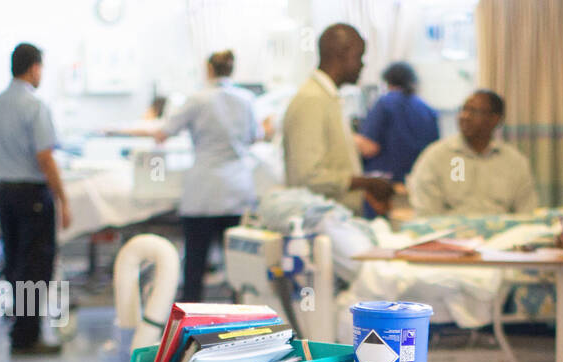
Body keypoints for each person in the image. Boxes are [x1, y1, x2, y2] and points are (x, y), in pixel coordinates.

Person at [0, 42, 71, 355]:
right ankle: (27, 336)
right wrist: (63, 199)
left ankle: (19, 329)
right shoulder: (35, 106)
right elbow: (45, 158)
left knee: (16, 263)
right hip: (32, 195)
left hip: (4, 193)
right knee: (35, 266)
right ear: (34, 68)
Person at [156, 50, 260, 302]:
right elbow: (255, 137)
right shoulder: (246, 99)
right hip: (237, 189)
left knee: (195, 266)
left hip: (203, 192)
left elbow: (164, 132)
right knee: (239, 267)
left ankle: (190, 320)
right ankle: (244, 322)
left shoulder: (197, 99)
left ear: (208, 69)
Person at [283, 24, 394, 214]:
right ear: (343, 53)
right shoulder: (312, 99)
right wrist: (364, 182)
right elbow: (307, 177)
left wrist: (364, 184)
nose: (362, 65)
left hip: (337, 220)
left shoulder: (328, 98)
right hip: (319, 225)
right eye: (359, 57)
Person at [407, 91, 537, 216]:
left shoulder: (515, 162)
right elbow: (426, 213)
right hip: (450, 236)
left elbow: (526, 212)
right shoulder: (436, 156)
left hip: (504, 236)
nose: (465, 116)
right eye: (463, 109)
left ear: (495, 119)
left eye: (473, 111)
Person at [354, 62, 439, 186]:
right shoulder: (427, 110)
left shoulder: (385, 103)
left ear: (387, 81)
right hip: (417, 182)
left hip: (385, 184)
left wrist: (348, 136)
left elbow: (369, 147)